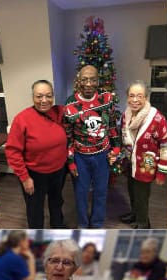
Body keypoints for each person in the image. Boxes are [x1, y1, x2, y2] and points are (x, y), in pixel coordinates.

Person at [5, 79, 68, 229]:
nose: (44, 100)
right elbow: (12, 151)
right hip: (35, 175)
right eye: (39, 96)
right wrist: (25, 178)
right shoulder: (22, 119)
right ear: (33, 97)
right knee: (35, 209)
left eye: (48, 96)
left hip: (59, 171)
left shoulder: (59, 112)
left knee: (57, 202)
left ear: (53, 96)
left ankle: (57, 227)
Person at [63, 65, 120, 228]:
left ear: (98, 81)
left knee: (101, 192)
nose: (88, 83)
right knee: (81, 194)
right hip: (80, 157)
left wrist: (116, 148)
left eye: (92, 79)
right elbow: (68, 136)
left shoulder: (107, 99)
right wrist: (71, 161)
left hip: (103, 155)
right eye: (85, 79)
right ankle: (82, 224)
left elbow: (112, 126)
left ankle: (96, 225)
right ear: (79, 81)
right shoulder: (70, 104)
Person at [119, 80, 167, 229]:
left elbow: (165, 146)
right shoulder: (125, 116)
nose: (135, 100)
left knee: (142, 195)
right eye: (132, 95)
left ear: (146, 98)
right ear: (127, 97)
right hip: (130, 162)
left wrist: (162, 172)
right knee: (132, 191)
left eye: (139, 96)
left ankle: (143, 223)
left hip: (146, 164)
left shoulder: (157, 119)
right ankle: (135, 214)